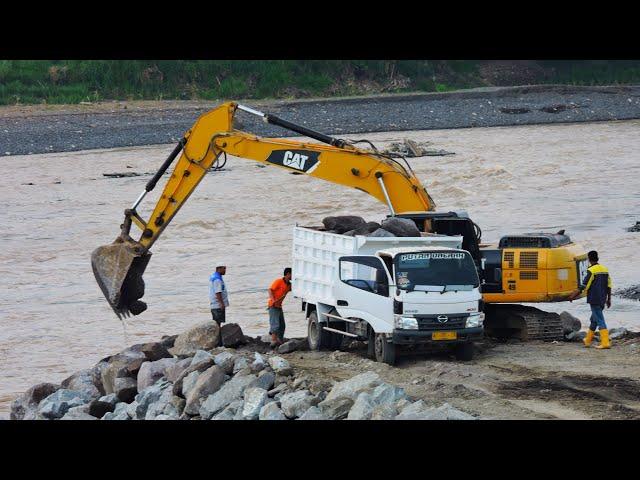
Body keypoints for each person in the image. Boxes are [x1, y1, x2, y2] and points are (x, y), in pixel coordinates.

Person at [568, 250, 612, 349]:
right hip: (602, 298)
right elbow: (609, 285)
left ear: (589, 259)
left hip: (594, 298)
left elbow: (583, 286)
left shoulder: (591, 270)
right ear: (598, 258)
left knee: (600, 320)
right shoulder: (604, 269)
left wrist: (572, 296)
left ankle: (605, 342)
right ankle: (587, 340)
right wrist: (609, 299)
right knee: (594, 320)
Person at [267, 267, 292, 348]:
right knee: (275, 324)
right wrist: (273, 299)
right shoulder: (279, 281)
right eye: (292, 274)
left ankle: (280, 341)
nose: (293, 276)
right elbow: (270, 290)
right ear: (288, 274)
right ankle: (273, 342)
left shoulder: (289, 285)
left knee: (282, 325)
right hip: (273, 305)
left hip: (279, 306)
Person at [209, 264, 229, 346]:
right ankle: (218, 343)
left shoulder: (214, 277)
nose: (225, 270)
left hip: (214, 304)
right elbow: (218, 292)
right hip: (217, 305)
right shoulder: (217, 279)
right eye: (224, 268)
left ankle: (218, 342)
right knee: (218, 324)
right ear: (218, 268)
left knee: (217, 323)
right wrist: (221, 303)